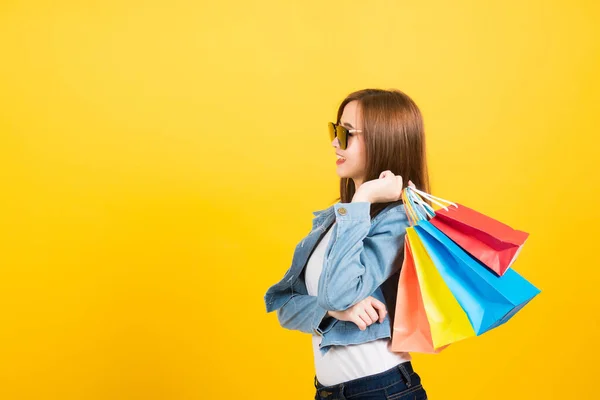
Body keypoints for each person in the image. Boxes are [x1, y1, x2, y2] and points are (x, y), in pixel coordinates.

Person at [264, 88, 430, 400]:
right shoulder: (337, 219)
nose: (335, 142)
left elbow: (338, 293)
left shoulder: (397, 221)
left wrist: (364, 196)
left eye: (347, 133)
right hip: (329, 393)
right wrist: (336, 312)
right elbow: (284, 306)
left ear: (385, 139)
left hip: (382, 390)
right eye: (335, 129)